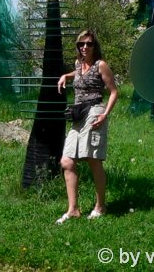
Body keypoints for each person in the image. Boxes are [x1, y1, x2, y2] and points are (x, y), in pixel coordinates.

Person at [54, 30, 119, 224]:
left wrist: (104, 115)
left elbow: (114, 92)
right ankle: (73, 209)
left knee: (92, 159)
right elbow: (79, 73)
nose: (84, 47)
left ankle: (100, 206)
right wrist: (66, 75)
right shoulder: (78, 64)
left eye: (89, 44)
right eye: (81, 44)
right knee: (67, 161)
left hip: (95, 111)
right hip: (77, 113)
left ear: (94, 46)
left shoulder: (101, 65)